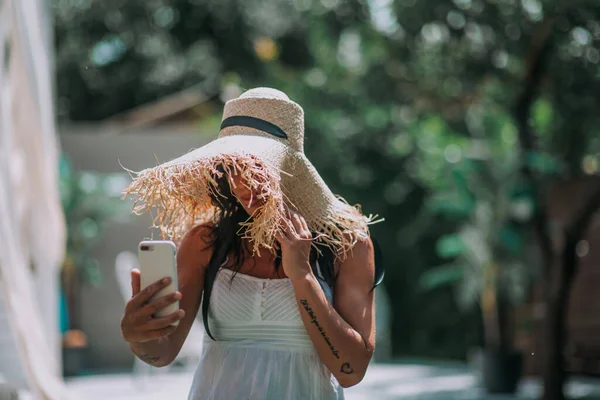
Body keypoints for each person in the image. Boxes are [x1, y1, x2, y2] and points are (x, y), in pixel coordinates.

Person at [119, 88, 383, 400]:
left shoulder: (346, 244)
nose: (246, 182)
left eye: (259, 165)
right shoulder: (206, 242)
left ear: (291, 168)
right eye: (234, 166)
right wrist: (138, 337)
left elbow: (350, 370)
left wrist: (302, 276)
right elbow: (161, 354)